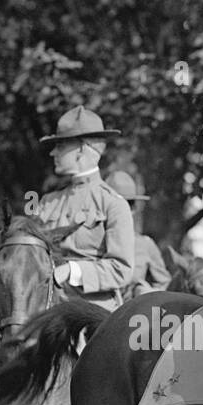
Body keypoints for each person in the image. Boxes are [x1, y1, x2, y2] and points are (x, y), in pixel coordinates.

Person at [32, 106, 135, 310]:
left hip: (93, 315)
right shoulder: (46, 203)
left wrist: (72, 270)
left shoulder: (113, 204)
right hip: (47, 308)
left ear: (81, 149)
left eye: (60, 146)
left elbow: (121, 269)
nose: (53, 153)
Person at [106, 170, 170, 298]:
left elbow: (164, 282)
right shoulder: (94, 241)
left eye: (128, 205)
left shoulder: (145, 244)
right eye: (114, 207)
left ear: (133, 209)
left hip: (132, 313)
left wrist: (146, 292)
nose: (121, 213)